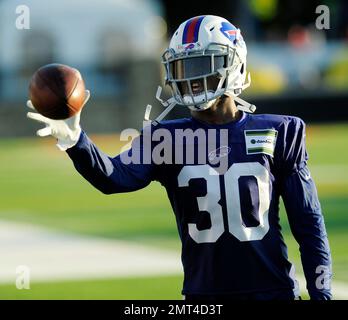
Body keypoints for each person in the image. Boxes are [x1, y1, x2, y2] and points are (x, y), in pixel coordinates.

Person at [27, 15, 332, 300]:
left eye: (203, 66)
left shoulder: (280, 131)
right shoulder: (166, 137)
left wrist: (322, 295)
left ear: (234, 64)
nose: (193, 81)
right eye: (185, 69)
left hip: (272, 292)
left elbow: (309, 224)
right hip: (202, 297)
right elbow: (114, 178)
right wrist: (76, 140)